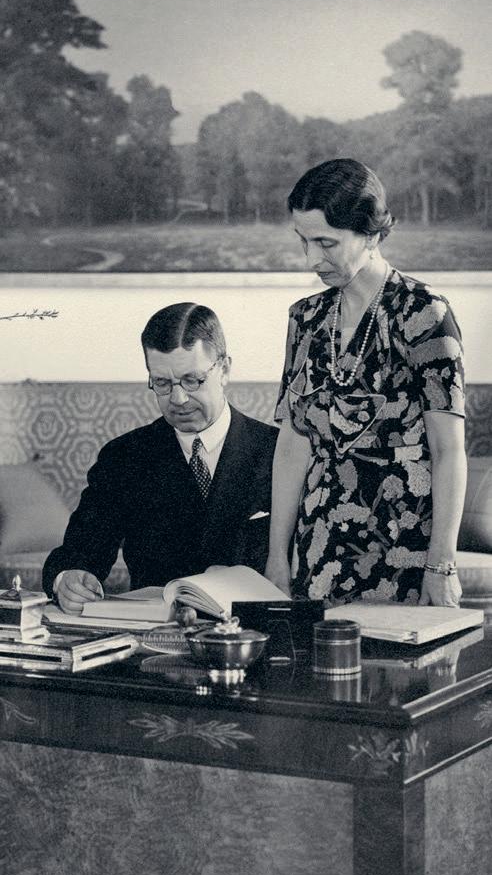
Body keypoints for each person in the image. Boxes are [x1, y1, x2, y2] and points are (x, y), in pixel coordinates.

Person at [265, 158, 467, 607]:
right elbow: (293, 444)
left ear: (371, 234)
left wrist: (441, 566)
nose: (311, 259)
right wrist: (277, 557)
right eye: (303, 240)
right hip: (318, 550)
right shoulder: (305, 318)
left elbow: (449, 451)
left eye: (326, 243)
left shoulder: (424, 313)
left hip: (404, 549)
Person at [43, 303, 278, 614]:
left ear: (224, 370)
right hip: (156, 633)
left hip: (253, 632)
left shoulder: (277, 452)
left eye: (192, 380)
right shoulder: (124, 457)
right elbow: (81, 550)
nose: (178, 399)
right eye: (162, 384)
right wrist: (68, 579)